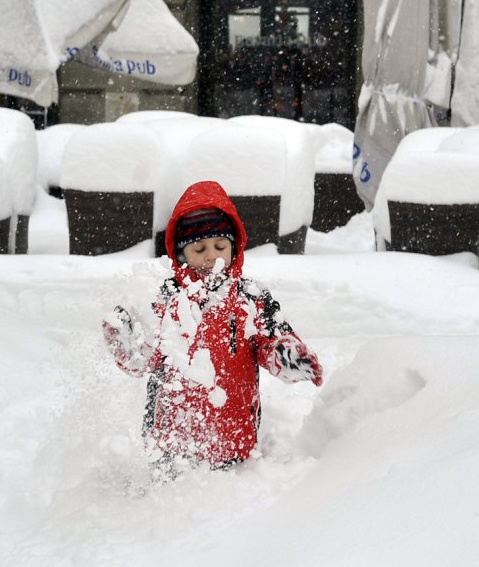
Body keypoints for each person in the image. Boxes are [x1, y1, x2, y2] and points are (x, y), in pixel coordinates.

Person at [103, 180, 322, 478]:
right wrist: (126, 343)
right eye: (199, 248)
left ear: (235, 247)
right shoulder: (165, 300)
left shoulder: (251, 298)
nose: (211, 256)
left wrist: (288, 357)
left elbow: (272, 342)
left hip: (233, 442)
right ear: (181, 254)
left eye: (220, 246)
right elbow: (145, 358)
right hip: (171, 446)